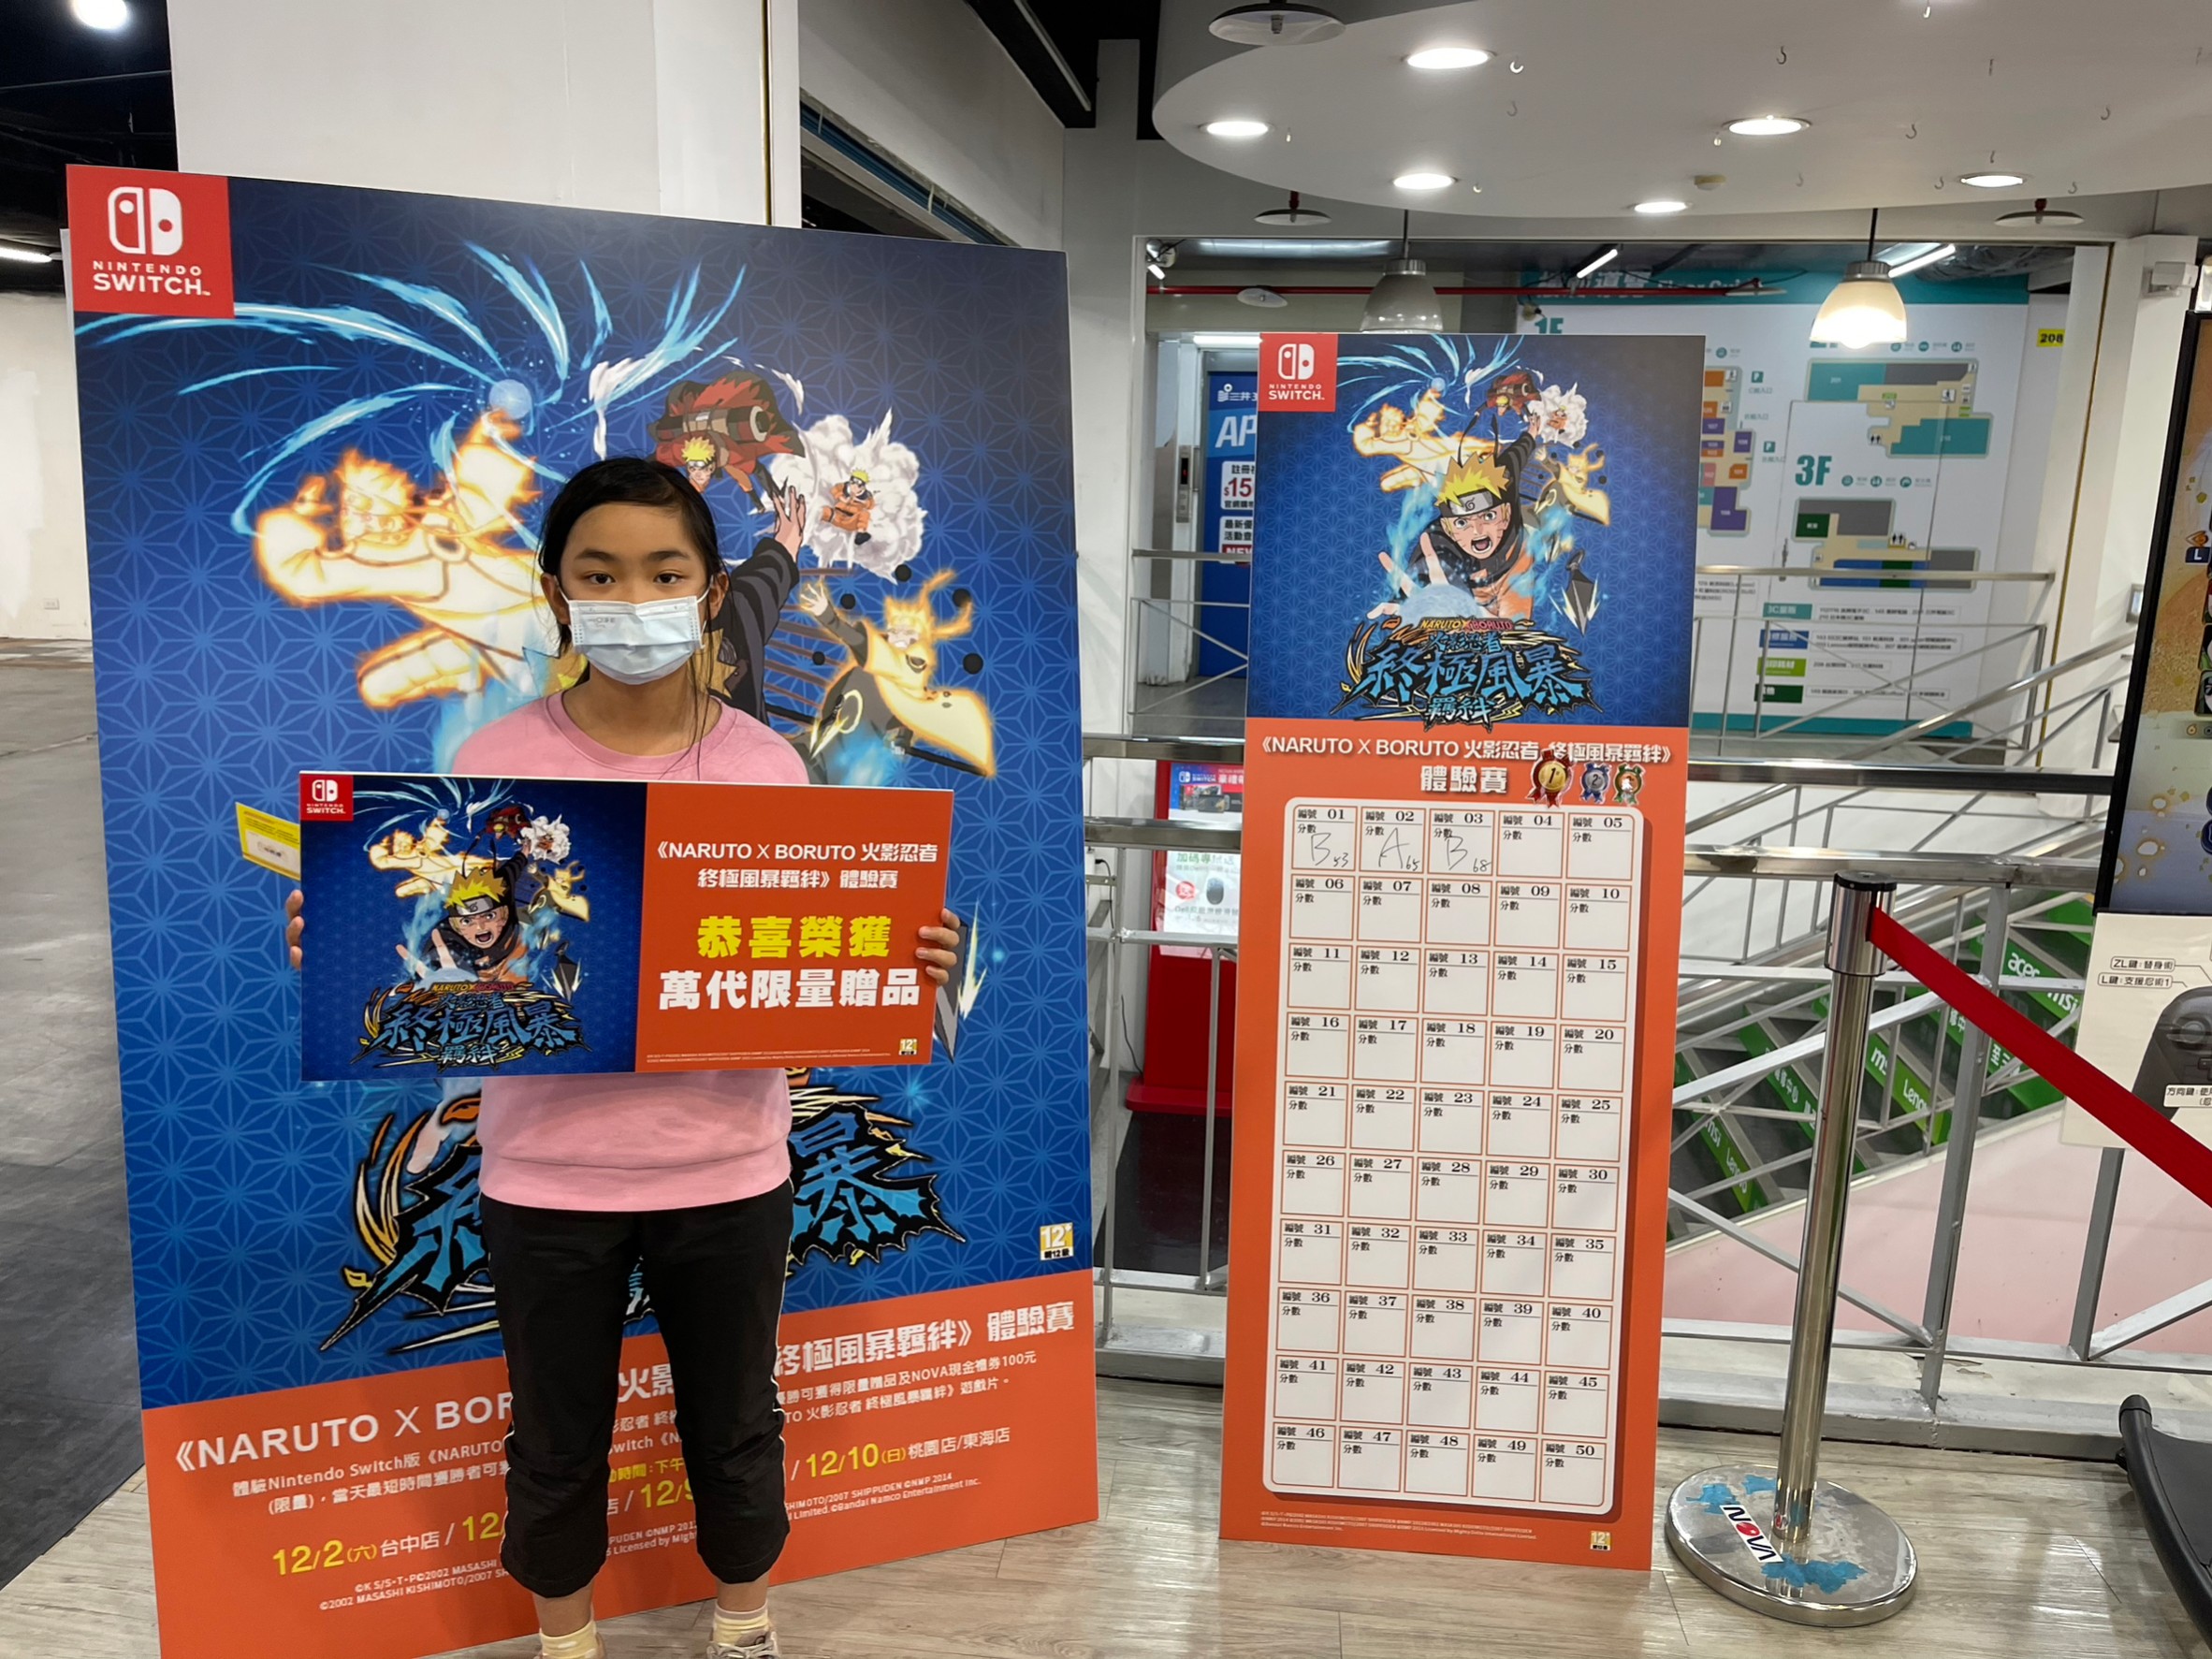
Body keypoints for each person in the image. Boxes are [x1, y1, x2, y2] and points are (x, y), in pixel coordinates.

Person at [284, 457, 963, 1659]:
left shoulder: (767, 765)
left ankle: (744, 1628)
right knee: (554, 1442)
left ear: (712, 593)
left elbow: (809, 967)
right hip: (547, 1176)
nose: (632, 599)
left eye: (663, 573)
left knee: (736, 1426)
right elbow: (445, 954)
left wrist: (906, 954)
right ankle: (566, 1641)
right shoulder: (496, 764)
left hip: (729, 1167)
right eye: (599, 575)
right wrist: (343, 943)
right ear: (557, 593)